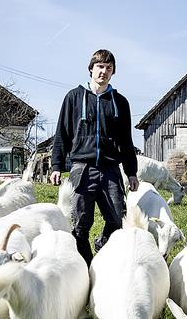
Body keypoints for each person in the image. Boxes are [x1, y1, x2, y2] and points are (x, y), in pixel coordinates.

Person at [50, 49, 139, 265]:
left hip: (110, 171)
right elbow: (62, 133)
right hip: (82, 169)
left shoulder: (120, 102)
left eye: (109, 68)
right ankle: (86, 267)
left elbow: (126, 140)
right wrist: (56, 165)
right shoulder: (73, 97)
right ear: (91, 69)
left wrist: (131, 172)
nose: (104, 72)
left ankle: (102, 246)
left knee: (118, 220)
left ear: (113, 73)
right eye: (100, 67)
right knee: (79, 225)